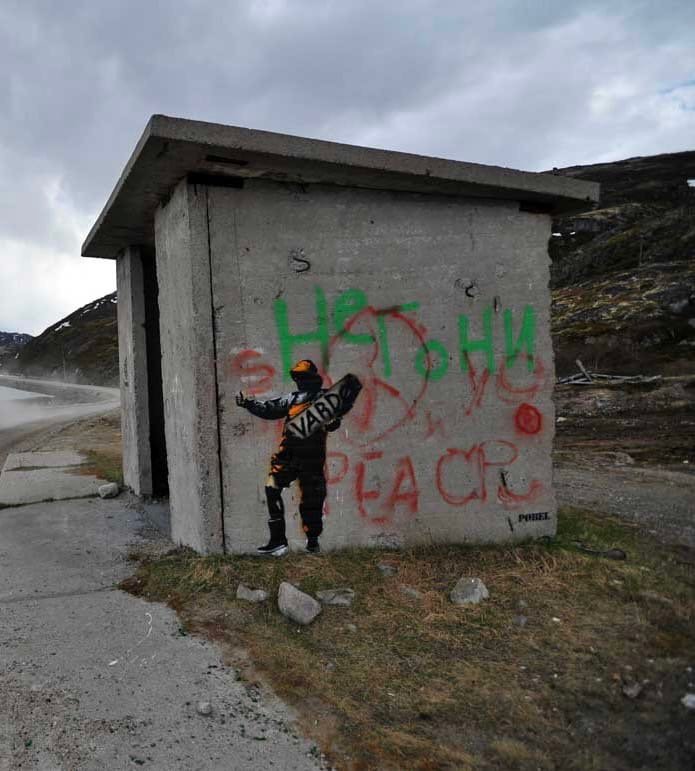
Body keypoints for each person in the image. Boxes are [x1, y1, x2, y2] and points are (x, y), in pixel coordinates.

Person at [235, 360, 340, 555]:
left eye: (303, 377)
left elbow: (334, 419)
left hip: (311, 459)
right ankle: (278, 541)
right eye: (297, 377)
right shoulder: (292, 399)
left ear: (312, 378)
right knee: (271, 488)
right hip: (288, 456)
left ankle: (313, 544)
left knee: (311, 502)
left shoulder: (324, 398)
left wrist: (333, 421)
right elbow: (269, 409)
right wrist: (248, 403)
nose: (300, 380)